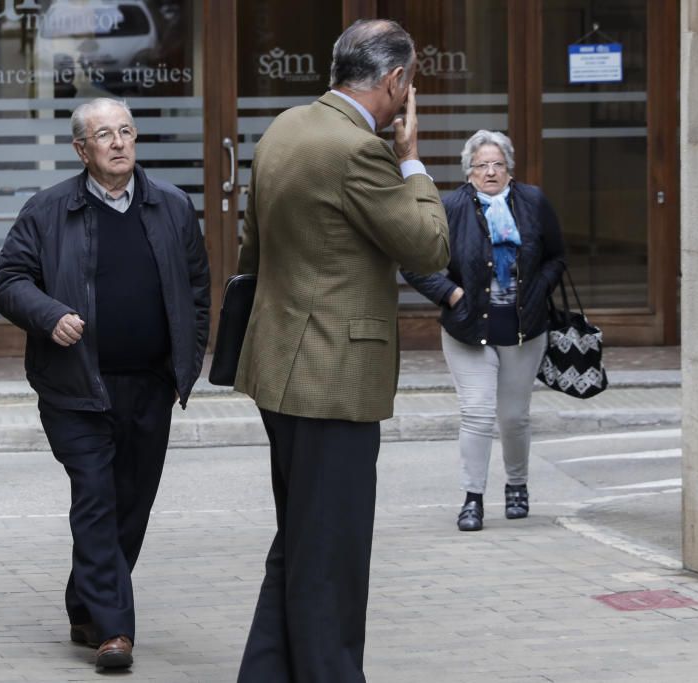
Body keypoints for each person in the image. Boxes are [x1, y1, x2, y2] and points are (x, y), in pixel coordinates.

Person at [233, 19, 450, 682]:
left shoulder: (286, 128)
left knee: (300, 543)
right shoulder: (359, 150)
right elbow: (428, 245)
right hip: (333, 376)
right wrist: (411, 157)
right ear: (394, 82)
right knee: (332, 553)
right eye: (409, 81)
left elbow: (253, 243)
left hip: (280, 365)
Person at [0, 97, 210, 670]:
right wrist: (48, 315)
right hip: (75, 387)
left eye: (126, 132)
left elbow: (196, 289)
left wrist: (186, 355)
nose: (118, 143)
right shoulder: (48, 210)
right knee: (95, 498)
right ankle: (115, 631)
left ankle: (85, 604)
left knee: (130, 507)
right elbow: (7, 278)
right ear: (81, 149)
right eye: (104, 135)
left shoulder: (173, 207)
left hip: (150, 383)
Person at [402, 129, 565, 532]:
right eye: (482, 165)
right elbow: (413, 261)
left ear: (509, 169)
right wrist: (452, 293)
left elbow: (556, 256)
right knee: (476, 414)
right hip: (469, 328)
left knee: (513, 417)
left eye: (498, 164)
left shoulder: (533, 202)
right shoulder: (451, 206)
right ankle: (472, 499)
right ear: (469, 172)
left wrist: (539, 288)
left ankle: (517, 485)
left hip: (524, 328)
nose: (490, 172)